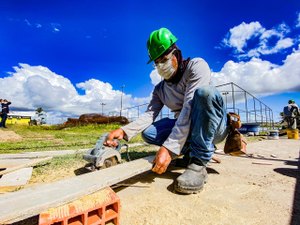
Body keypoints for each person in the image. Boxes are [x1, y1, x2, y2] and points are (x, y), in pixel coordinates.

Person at [104, 27, 228, 194]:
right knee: (149, 133)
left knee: (205, 93)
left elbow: (189, 107)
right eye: (156, 62)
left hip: (213, 127)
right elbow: (150, 114)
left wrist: (169, 149)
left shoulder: (197, 66)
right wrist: (124, 131)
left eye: (164, 59)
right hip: (189, 130)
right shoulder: (160, 89)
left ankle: (198, 163)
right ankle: (190, 152)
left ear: (176, 54)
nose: (160, 66)